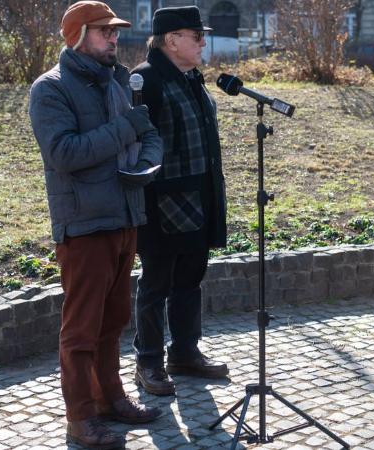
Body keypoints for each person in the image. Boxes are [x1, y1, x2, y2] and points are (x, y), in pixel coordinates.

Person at [28, 1, 163, 448]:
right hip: (84, 225)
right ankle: (80, 418)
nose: (114, 38)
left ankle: (111, 400)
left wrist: (145, 162)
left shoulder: (117, 81)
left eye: (115, 31)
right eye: (104, 31)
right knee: (83, 329)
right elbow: (63, 153)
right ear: (78, 35)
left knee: (114, 320)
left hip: (125, 216)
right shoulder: (50, 89)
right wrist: (126, 129)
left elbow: (146, 134)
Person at [130, 5, 229, 397]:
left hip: (198, 201)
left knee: (190, 281)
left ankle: (185, 353)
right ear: (172, 40)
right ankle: (149, 362)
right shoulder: (146, 79)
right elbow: (137, 146)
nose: (204, 42)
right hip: (161, 206)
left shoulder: (190, 78)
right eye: (197, 35)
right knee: (156, 284)